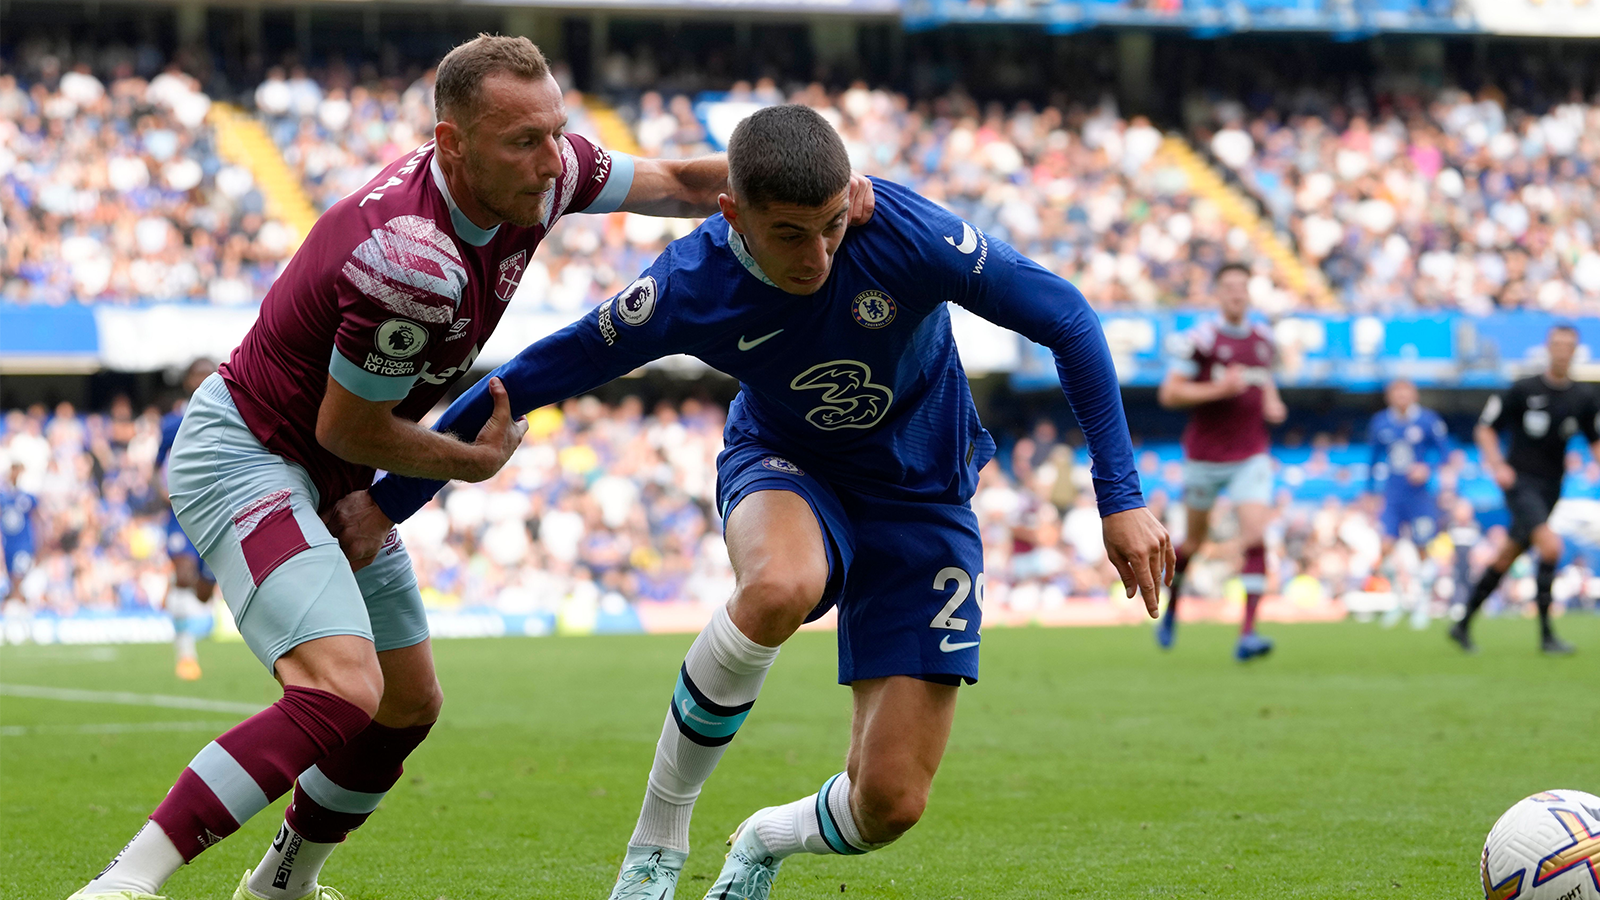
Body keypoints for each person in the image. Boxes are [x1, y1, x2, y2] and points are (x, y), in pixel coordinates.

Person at [67, 35, 851, 900]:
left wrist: (833, 195)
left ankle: (281, 887)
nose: (553, 161)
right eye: (524, 142)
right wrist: (466, 464)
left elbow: (679, 182)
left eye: (556, 132)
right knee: (340, 692)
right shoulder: (412, 259)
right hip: (254, 454)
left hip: (335, 470)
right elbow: (350, 427)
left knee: (407, 704)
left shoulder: (547, 172)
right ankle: (124, 885)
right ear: (452, 145)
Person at [331, 104, 1171, 900]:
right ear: (731, 213)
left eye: (833, 225)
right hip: (787, 462)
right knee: (778, 585)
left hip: (928, 498)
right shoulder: (689, 287)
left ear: (856, 198)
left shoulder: (905, 233)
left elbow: (1067, 316)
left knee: (891, 804)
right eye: (789, 235)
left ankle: (762, 841)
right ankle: (656, 847)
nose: (817, 256)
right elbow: (537, 374)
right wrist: (388, 503)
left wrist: (1120, 497)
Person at [1154, 263, 1286, 661]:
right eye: (1228, 287)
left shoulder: (1263, 339)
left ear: (1249, 293)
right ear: (1217, 293)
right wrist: (1220, 388)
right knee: (1194, 542)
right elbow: (1170, 394)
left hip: (1251, 454)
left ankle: (1248, 633)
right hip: (1205, 457)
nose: (1236, 294)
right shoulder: (1201, 340)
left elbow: (1264, 379)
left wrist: (1272, 401)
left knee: (1256, 535)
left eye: (1242, 288)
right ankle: (1172, 607)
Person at [1451, 324, 1597, 655]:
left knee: (1506, 555)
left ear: (1575, 351)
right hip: (1520, 483)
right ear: (1548, 348)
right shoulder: (1522, 389)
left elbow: (1595, 441)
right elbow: (1486, 429)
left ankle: (1461, 625)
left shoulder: (1584, 397)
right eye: (1557, 344)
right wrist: (1497, 465)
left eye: (1569, 345)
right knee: (1550, 548)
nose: (1562, 350)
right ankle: (1547, 637)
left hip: (1551, 488)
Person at [1365, 378, 1450, 629]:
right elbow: (1372, 458)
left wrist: (1428, 468)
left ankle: (1422, 605)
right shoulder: (1380, 422)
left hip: (1419, 496)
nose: (1401, 396)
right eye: (1396, 392)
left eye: (1406, 391)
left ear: (1414, 395)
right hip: (1392, 494)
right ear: (1389, 396)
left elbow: (1446, 453)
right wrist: (1370, 492)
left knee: (1422, 548)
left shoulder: (1427, 420)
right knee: (1386, 547)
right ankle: (1399, 601)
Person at [156, 359, 220, 680]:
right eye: (196, 374)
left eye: (208, 374)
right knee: (183, 575)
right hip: (180, 512)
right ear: (187, 382)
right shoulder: (172, 423)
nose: (201, 380)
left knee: (204, 592)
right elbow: (158, 464)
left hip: (215, 511)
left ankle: (181, 598)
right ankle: (186, 656)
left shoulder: (228, 416)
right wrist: (163, 489)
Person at [1, 461, 38, 604]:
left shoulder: (28, 497)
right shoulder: (3, 497)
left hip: (23, 544)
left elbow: (37, 520)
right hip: (8, 544)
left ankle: (19, 604)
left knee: (20, 576)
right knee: (10, 577)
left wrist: (37, 545)